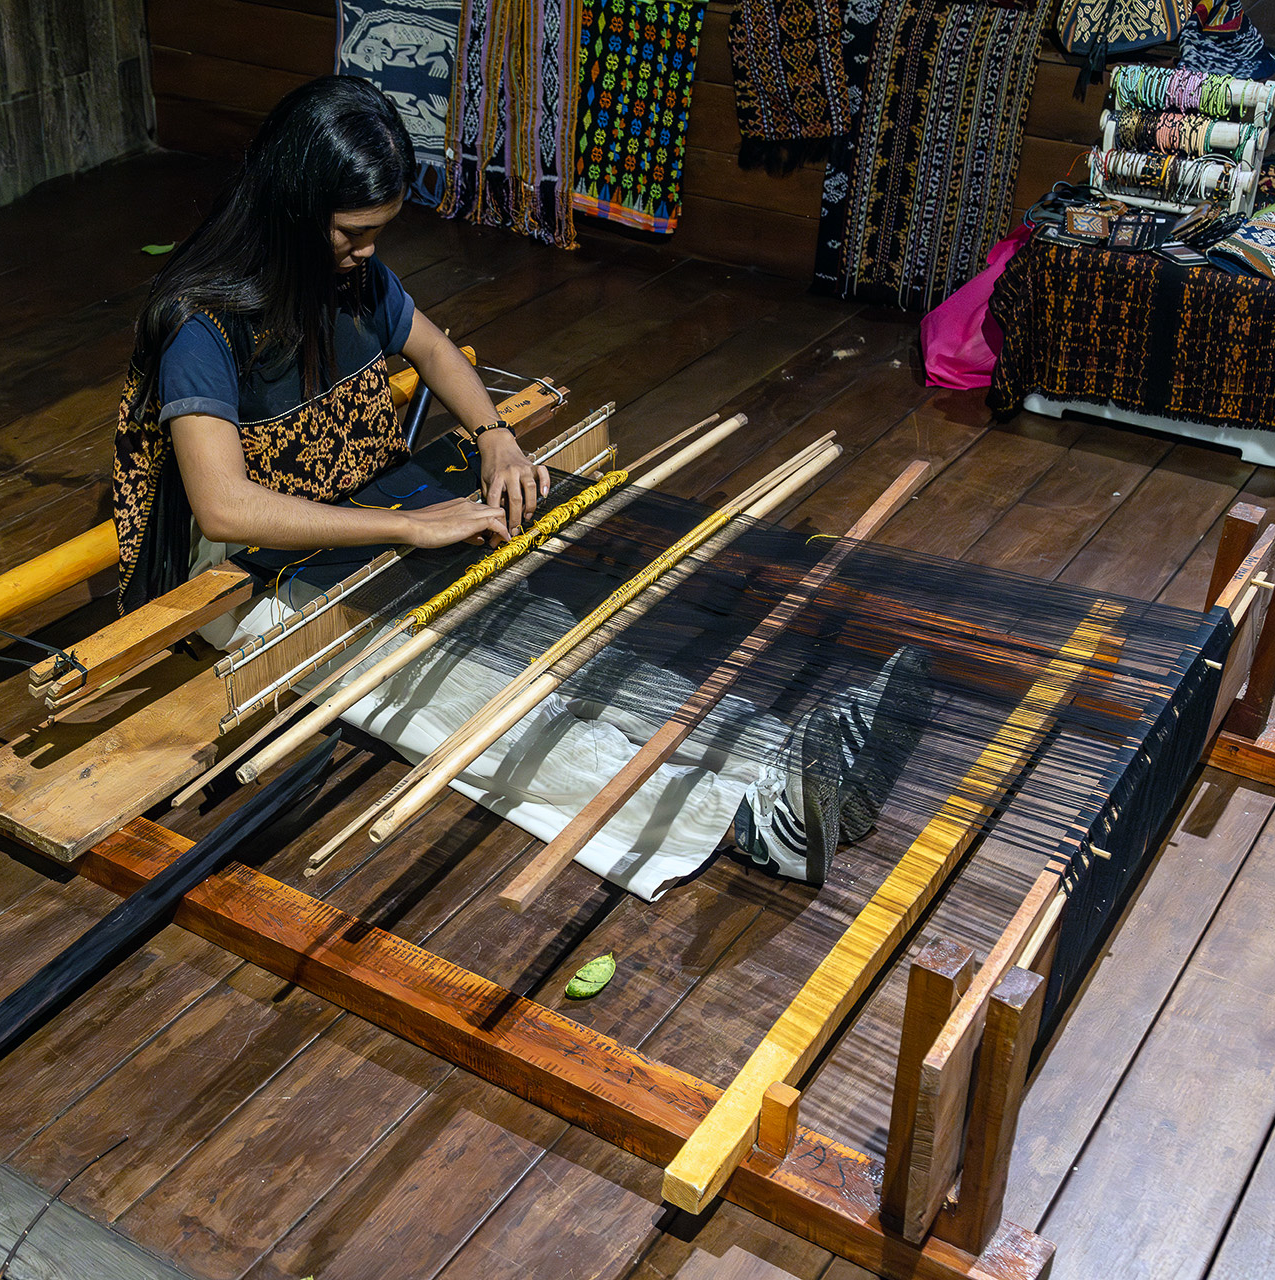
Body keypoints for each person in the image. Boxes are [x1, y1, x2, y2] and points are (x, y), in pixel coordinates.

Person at [110, 76, 926, 897]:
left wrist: (495, 438)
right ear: (292, 208)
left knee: (550, 624)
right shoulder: (201, 322)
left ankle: (784, 749)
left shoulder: (344, 273)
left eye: (377, 235)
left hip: (354, 512)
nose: (367, 255)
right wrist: (411, 528)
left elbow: (432, 350)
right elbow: (223, 505)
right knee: (469, 681)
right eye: (354, 235)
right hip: (242, 577)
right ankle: (751, 818)